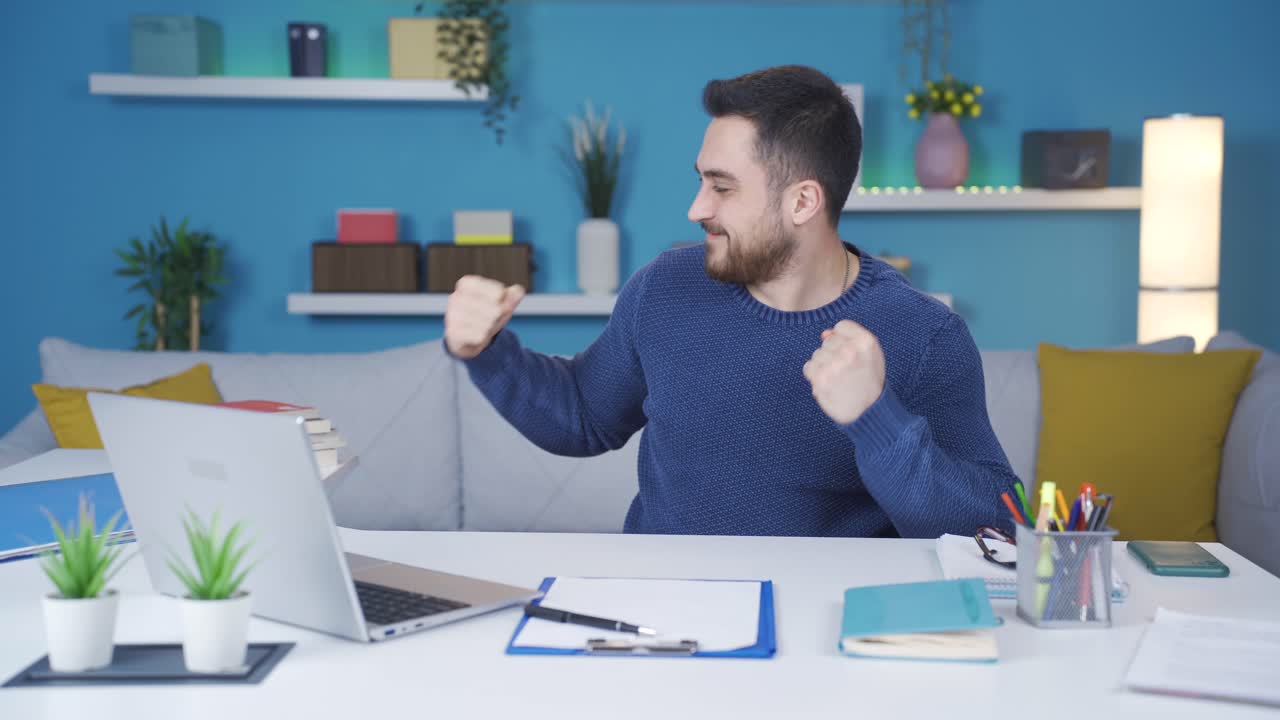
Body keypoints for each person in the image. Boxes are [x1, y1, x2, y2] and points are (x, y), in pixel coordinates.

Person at [443, 64, 1018, 538]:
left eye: (722, 187)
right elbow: (582, 417)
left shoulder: (923, 334)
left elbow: (996, 526)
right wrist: (487, 349)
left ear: (803, 202)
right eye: (701, 182)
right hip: (661, 615)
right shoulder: (665, 288)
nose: (696, 209)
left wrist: (877, 419)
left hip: (827, 634)